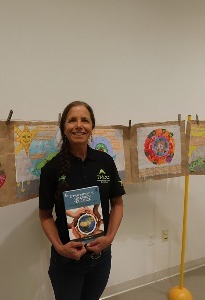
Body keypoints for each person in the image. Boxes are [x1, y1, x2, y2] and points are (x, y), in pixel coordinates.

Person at [39, 101, 125, 300]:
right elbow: (45, 216)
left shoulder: (105, 161)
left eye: (84, 120)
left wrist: (110, 237)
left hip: (101, 257)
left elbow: (118, 204)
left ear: (92, 126)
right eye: (72, 120)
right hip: (67, 260)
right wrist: (61, 249)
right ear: (63, 128)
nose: (79, 125)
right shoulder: (51, 169)